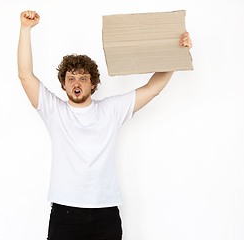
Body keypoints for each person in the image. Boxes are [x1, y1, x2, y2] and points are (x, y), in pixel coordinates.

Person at [17, 10, 192, 240]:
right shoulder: (54, 111)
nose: (76, 83)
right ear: (63, 84)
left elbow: (152, 88)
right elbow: (25, 75)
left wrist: (176, 52)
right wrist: (25, 29)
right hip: (65, 214)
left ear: (93, 85)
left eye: (83, 78)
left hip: (106, 215)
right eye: (71, 78)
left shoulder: (111, 110)